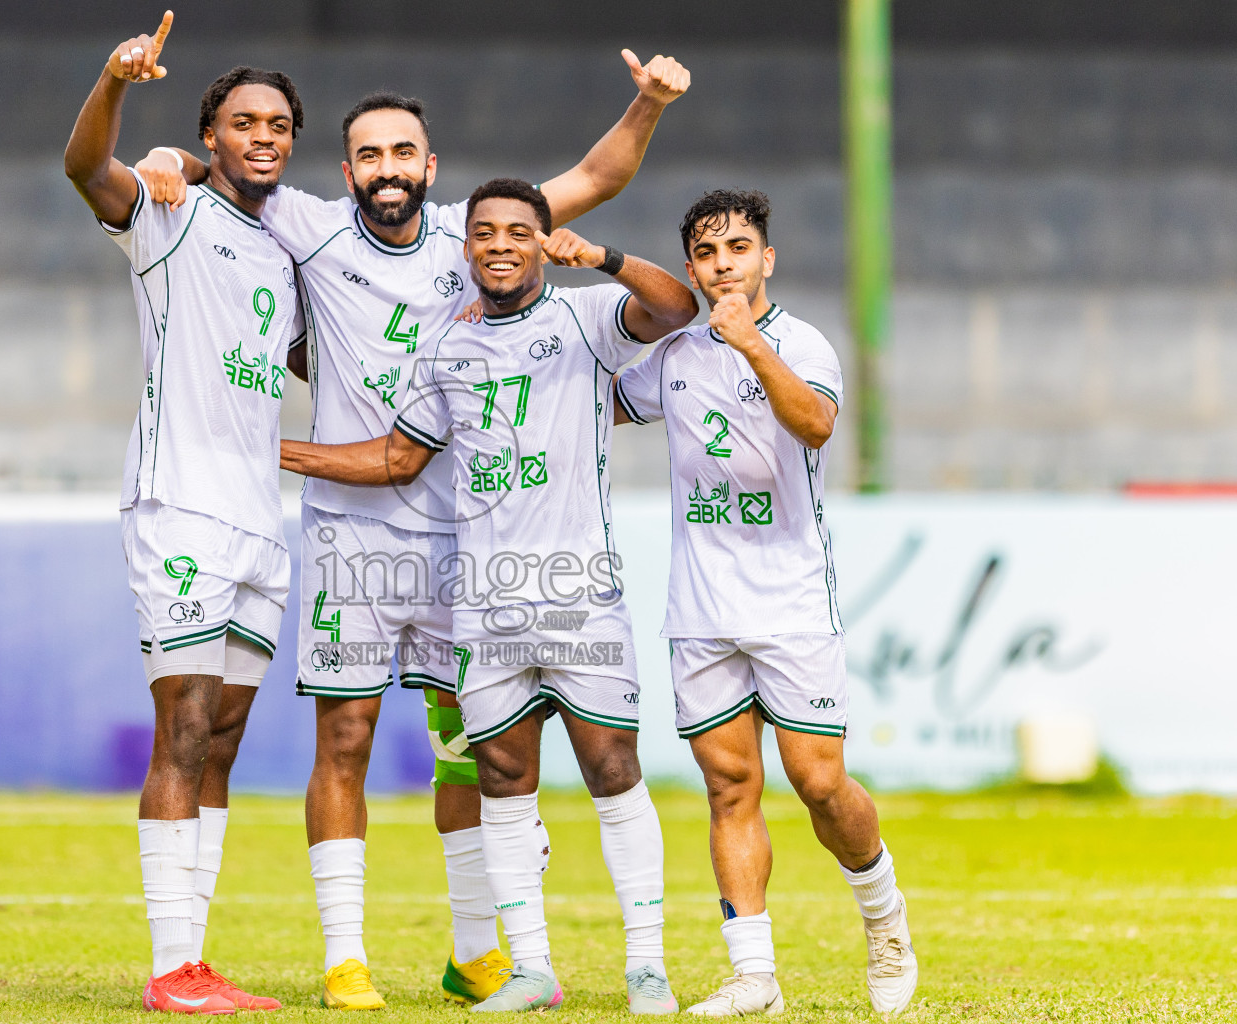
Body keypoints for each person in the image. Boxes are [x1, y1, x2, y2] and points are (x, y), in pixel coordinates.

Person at [135, 54, 691, 1010]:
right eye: (366, 154)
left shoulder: (467, 238)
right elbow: (228, 167)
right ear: (345, 170)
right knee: (344, 740)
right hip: (352, 539)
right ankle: (345, 956)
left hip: (457, 546)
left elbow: (592, 182)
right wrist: (167, 158)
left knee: (468, 749)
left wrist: (647, 103)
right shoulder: (307, 227)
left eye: (402, 151)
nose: (385, 166)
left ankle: (476, 947)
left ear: (430, 166)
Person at [279, 178, 697, 1014]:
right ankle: (531, 968)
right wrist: (272, 451)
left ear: (542, 242)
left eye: (517, 230)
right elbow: (398, 459)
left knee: (612, 766)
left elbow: (676, 309)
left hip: (577, 589)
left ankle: (646, 964)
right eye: (483, 233)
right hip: (483, 598)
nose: (499, 244)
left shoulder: (584, 319)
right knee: (501, 774)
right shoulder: (447, 350)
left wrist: (606, 258)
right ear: (464, 248)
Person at [611, 189, 919, 1016]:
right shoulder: (671, 355)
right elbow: (599, 404)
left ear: (766, 259)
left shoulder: (804, 344)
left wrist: (749, 347)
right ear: (691, 270)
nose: (725, 267)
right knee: (728, 787)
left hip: (789, 602)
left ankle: (884, 917)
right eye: (708, 255)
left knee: (819, 783)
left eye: (738, 249)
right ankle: (755, 975)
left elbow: (814, 426)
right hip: (700, 609)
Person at [63, 12, 304, 1013]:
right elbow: (85, 168)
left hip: (262, 522)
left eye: (280, 124)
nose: (263, 135)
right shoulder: (169, 212)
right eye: (244, 120)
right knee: (185, 725)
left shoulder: (288, 255)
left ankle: (196, 960)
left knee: (226, 737)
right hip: (181, 510)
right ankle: (171, 970)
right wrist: (117, 87)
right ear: (211, 137)